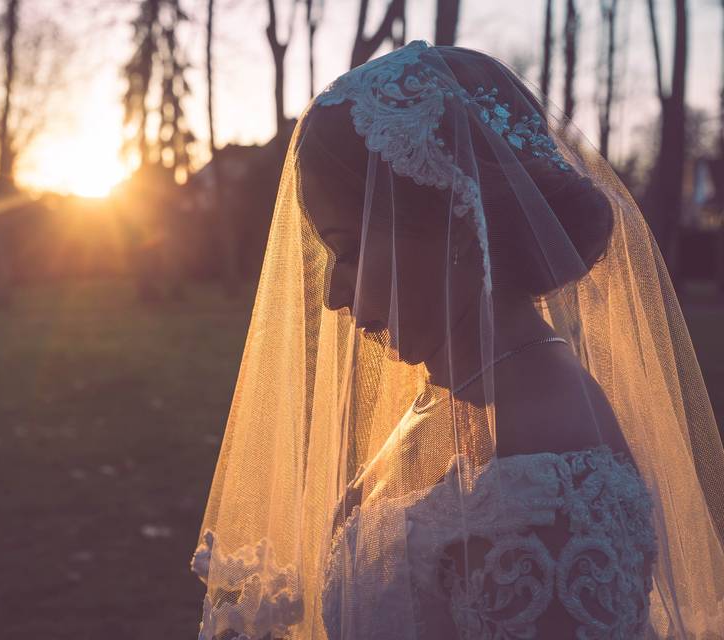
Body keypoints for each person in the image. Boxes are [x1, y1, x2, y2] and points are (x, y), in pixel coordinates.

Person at [191, 40, 724, 639]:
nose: (333, 296)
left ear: (457, 228)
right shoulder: (464, 389)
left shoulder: (543, 475)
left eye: (348, 250)